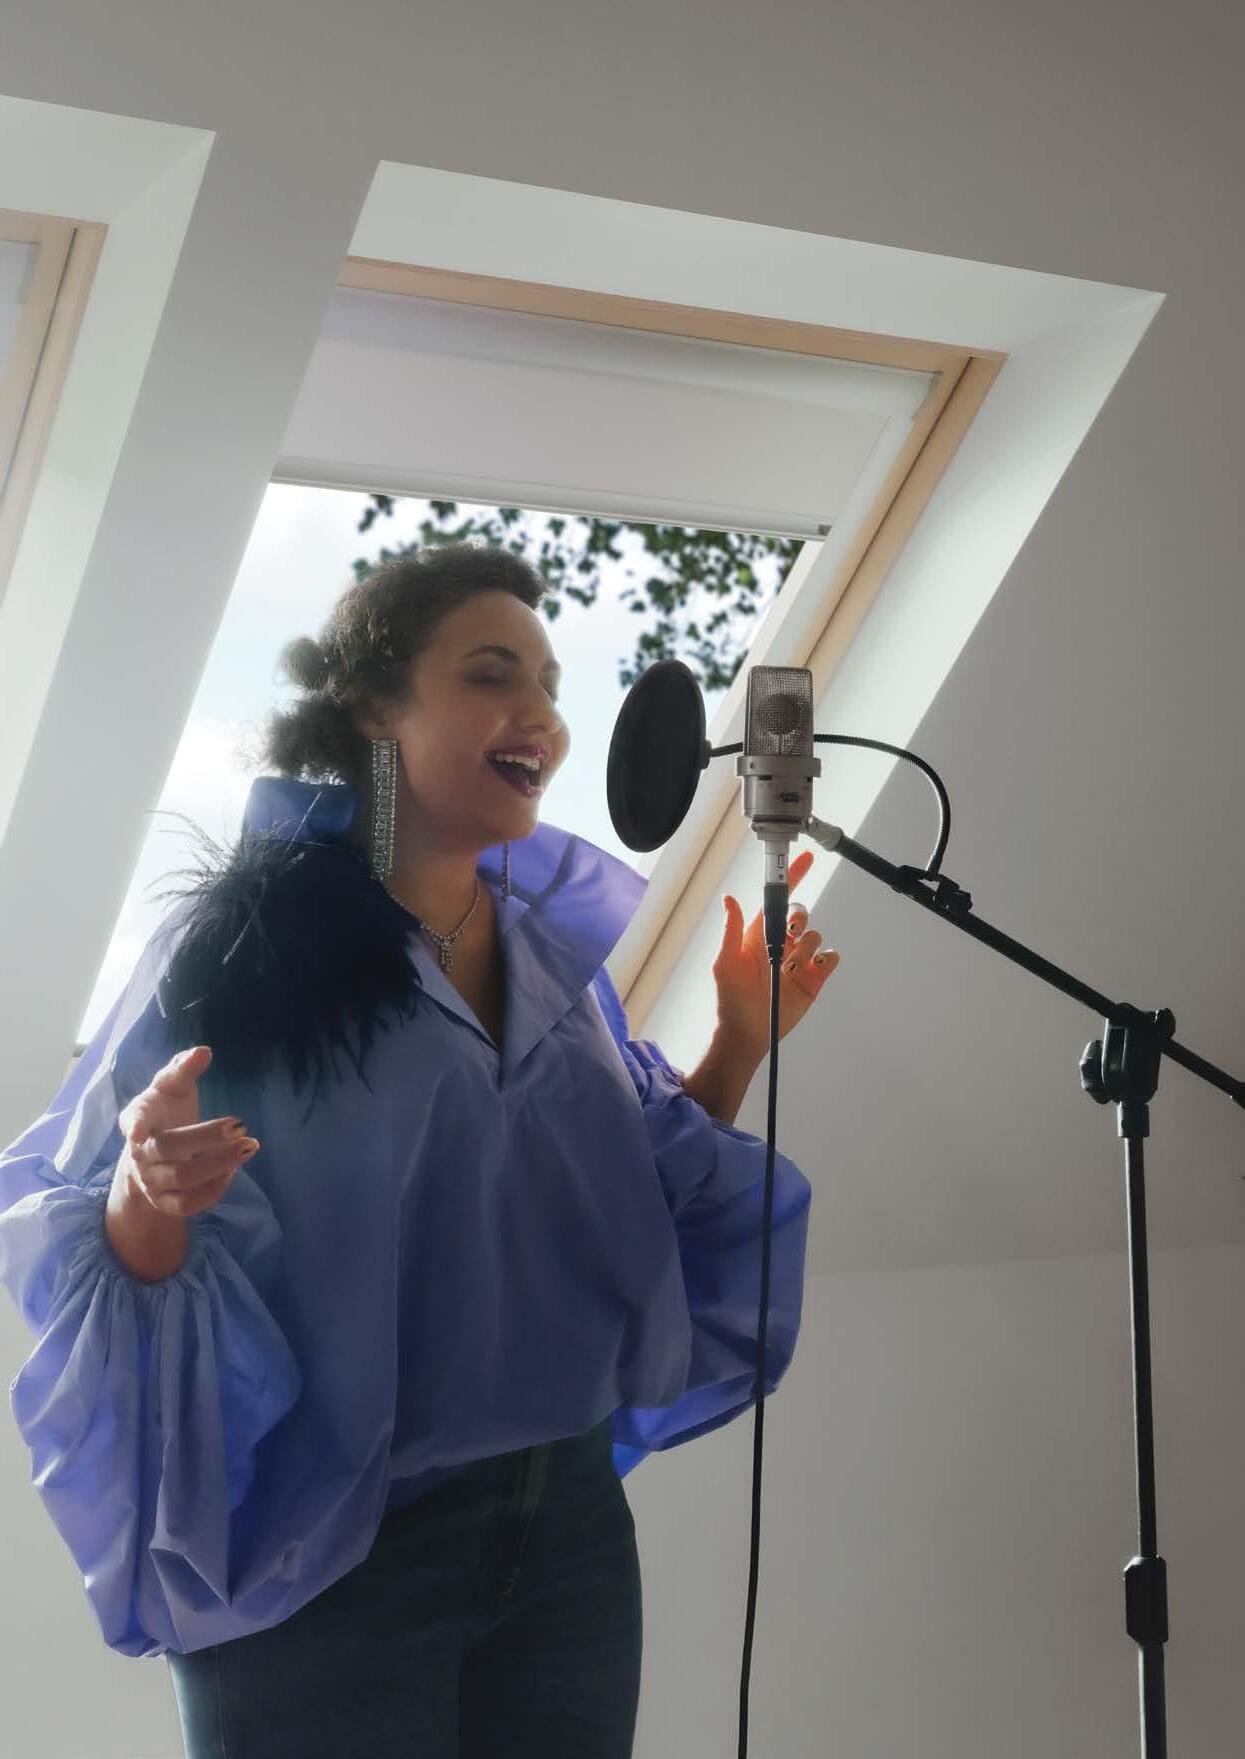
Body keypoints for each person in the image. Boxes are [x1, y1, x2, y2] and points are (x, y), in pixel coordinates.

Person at [0, 543, 813, 1757]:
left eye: (548, 684)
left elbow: (630, 1199)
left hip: (567, 1534)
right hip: (331, 1553)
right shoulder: (246, 948)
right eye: (492, 674)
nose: (540, 714)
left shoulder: (551, 959)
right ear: (377, 710)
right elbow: (93, 1242)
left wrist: (739, 1041)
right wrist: (146, 1191)